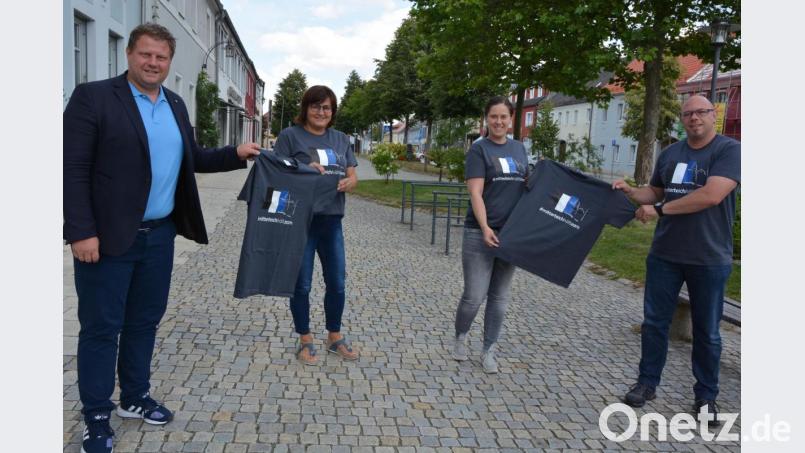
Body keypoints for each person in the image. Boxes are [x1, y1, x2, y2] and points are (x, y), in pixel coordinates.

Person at [63, 23, 260, 453]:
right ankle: (97, 415)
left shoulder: (174, 103)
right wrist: (81, 231)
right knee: (100, 329)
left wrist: (236, 154)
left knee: (144, 323)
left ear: (169, 63)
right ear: (129, 54)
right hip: (107, 240)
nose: (153, 63)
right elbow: (72, 170)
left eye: (161, 57)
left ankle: (134, 397)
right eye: (145, 54)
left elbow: (194, 158)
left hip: (159, 237)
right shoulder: (93, 98)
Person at [612, 95, 740, 423]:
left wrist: (659, 209)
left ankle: (706, 397)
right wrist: (629, 190)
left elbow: (712, 195)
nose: (694, 117)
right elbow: (654, 192)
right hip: (665, 255)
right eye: (688, 113)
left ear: (714, 115)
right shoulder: (670, 153)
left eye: (701, 112)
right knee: (655, 323)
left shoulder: (728, 151)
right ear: (682, 119)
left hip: (708, 258)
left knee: (708, 330)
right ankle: (647, 383)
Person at [273, 85, 359, 365]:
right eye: (315, 106)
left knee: (337, 282)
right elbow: (276, 173)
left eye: (326, 108)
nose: (321, 112)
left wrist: (351, 181)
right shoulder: (289, 136)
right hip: (301, 222)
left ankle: (334, 336)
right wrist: (302, 169)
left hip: (332, 220)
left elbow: (353, 173)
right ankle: (305, 338)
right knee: (302, 284)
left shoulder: (341, 139)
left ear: (332, 112)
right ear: (305, 108)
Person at [452, 96, 529, 373]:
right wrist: (485, 228)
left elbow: (526, 186)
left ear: (510, 120)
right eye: (493, 117)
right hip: (479, 232)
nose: (498, 122)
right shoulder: (479, 150)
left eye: (503, 117)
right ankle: (460, 336)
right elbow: (475, 192)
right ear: (487, 119)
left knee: (500, 297)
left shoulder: (520, 149)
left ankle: (488, 350)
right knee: (474, 295)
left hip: (511, 236)